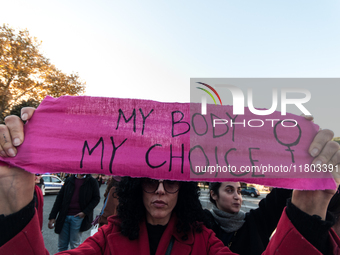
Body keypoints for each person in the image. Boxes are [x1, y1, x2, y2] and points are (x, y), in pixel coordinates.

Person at [0, 108, 340, 255]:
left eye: (171, 183)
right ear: (136, 188)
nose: (161, 189)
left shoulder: (205, 242)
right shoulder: (106, 240)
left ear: (185, 188)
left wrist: (309, 209)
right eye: (151, 182)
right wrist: (14, 199)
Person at [47, 173, 100, 252]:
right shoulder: (69, 180)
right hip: (64, 216)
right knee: (62, 245)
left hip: (78, 217)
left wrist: (84, 212)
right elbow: (59, 198)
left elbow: (96, 198)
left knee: (75, 245)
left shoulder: (91, 181)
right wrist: (52, 216)